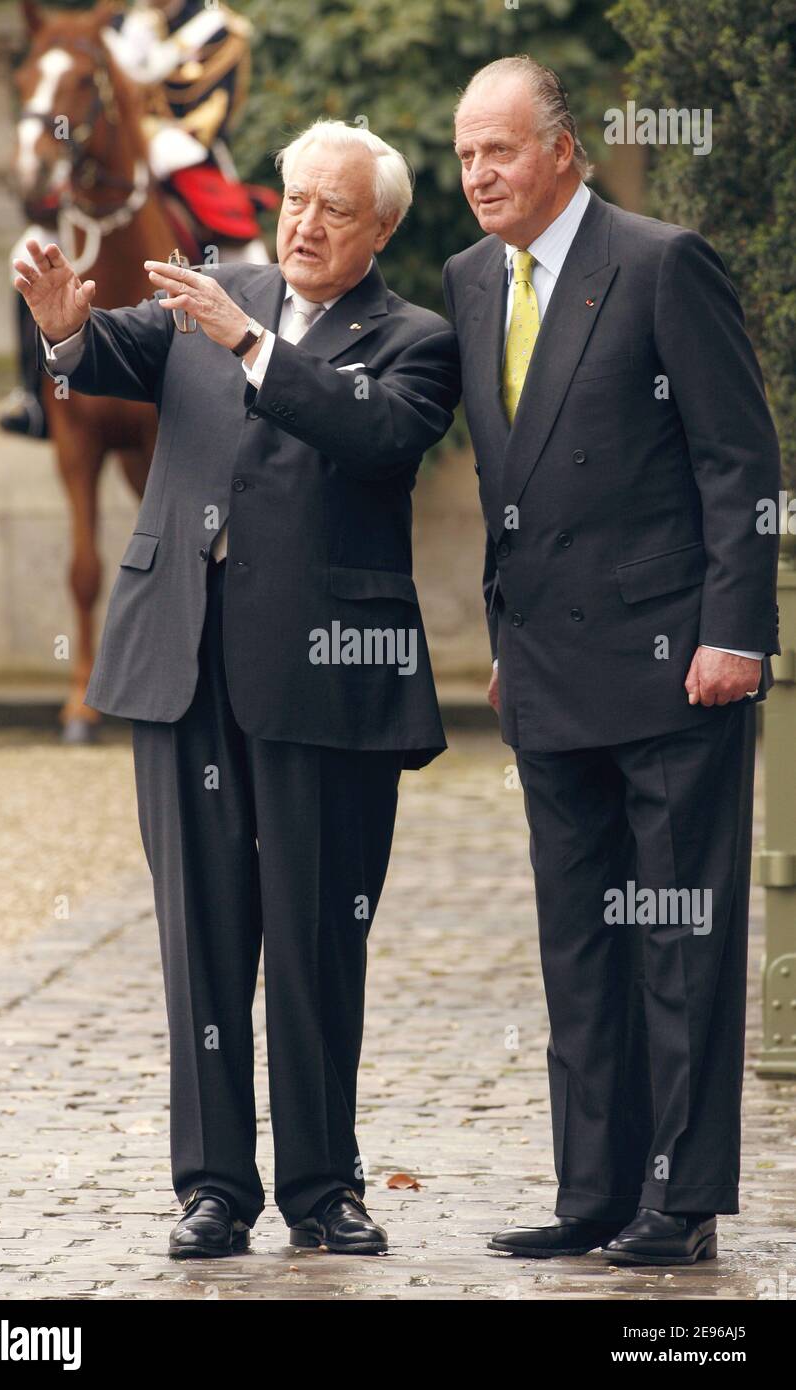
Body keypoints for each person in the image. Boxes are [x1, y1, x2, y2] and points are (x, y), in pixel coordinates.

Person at [14, 119, 460, 1257]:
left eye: (335, 209)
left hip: (324, 683)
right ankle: (212, 1183)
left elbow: (371, 435)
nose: (305, 222)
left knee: (317, 941)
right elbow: (112, 348)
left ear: (381, 230)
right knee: (200, 941)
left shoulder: (414, 339)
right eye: (296, 199)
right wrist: (65, 330)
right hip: (182, 664)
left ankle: (322, 1188)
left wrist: (256, 347)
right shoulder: (215, 290)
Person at [443, 56, 780, 1265]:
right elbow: (505, 481)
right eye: (464, 152)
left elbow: (736, 462)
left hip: (673, 665)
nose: (477, 173)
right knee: (577, 941)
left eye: (499, 150)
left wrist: (733, 633)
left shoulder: (657, 262)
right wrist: (501, 635)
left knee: (677, 939)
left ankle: (677, 1203)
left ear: (562, 152)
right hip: (544, 669)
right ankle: (592, 1191)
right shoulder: (470, 280)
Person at [0, 0, 273, 439]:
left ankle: (255, 383)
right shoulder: (116, 24)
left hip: (181, 148)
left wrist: (147, 131)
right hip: (111, 156)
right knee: (25, 253)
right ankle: (31, 393)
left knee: (247, 250)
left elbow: (211, 109)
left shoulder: (218, 29)